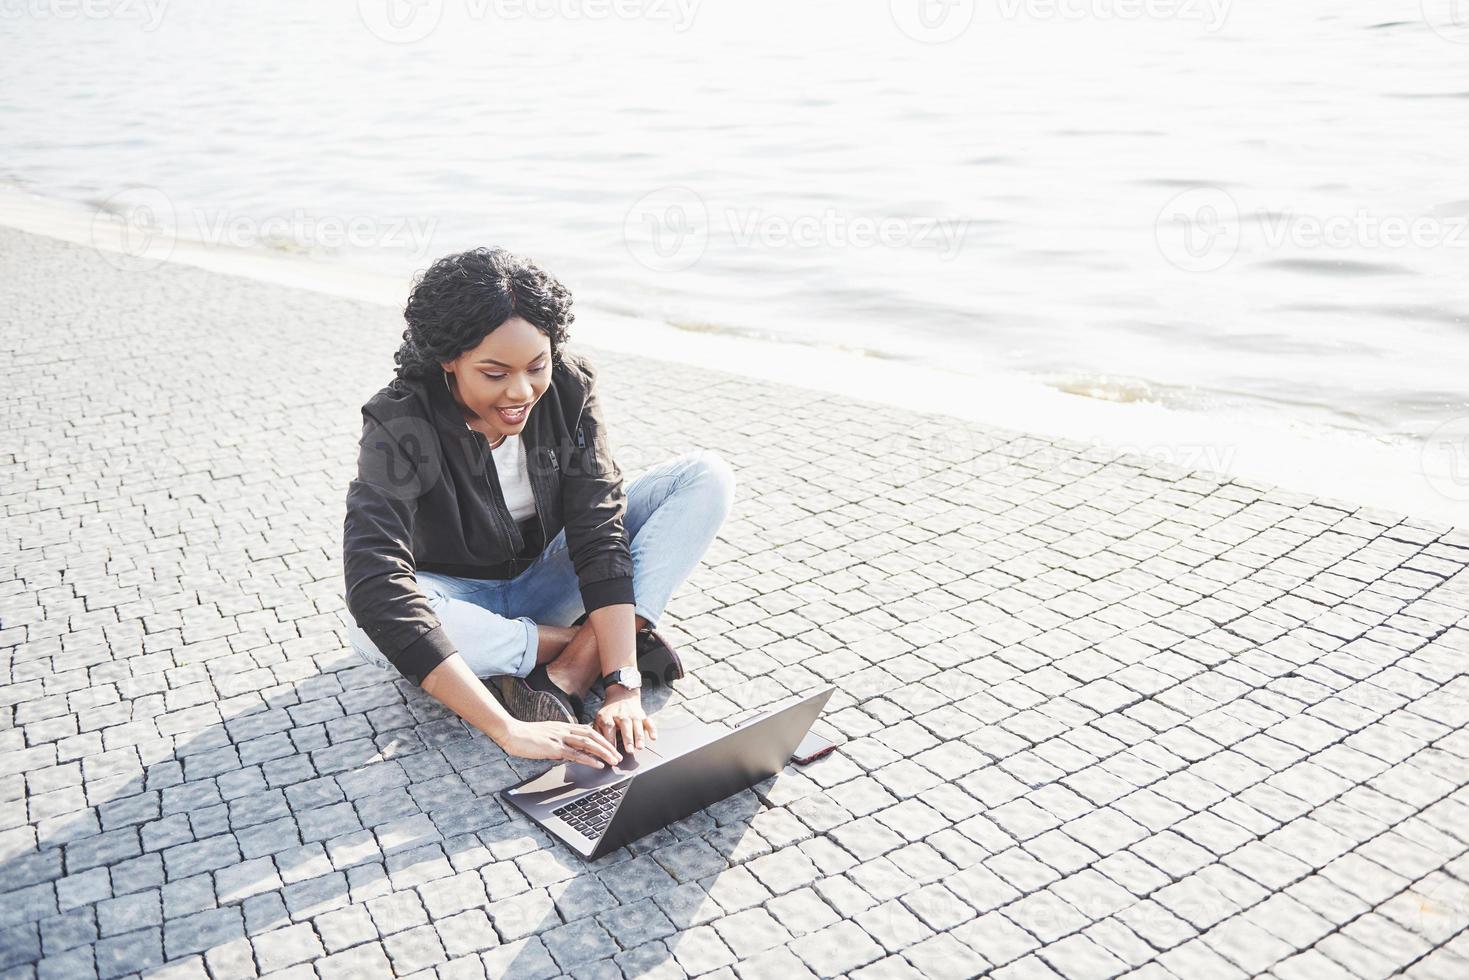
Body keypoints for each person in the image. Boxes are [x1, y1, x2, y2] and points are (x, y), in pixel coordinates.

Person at [342, 247, 735, 769]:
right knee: (371, 629)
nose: (521, 391)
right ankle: (590, 641)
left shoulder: (570, 388)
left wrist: (623, 688)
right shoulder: (400, 421)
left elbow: (599, 530)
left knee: (704, 477)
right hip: (457, 602)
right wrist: (509, 731)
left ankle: (572, 669)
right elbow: (374, 577)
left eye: (536, 366)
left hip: (545, 584)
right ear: (448, 361)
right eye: (494, 373)